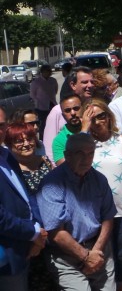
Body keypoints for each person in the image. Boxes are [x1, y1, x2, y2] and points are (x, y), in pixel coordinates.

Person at [37, 133, 117, 290]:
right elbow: (56, 233)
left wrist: (96, 252)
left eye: (90, 153)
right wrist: (86, 256)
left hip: (99, 249)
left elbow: (108, 218)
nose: (86, 159)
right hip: (65, 255)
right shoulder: (52, 184)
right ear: (67, 155)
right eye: (80, 153)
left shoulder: (99, 179)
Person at [80, 99, 122, 291]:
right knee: (101, 255)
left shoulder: (121, 139)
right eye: (93, 118)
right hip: (95, 212)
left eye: (101, 116)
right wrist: (84, 128)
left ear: (109, 116)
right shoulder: (84, 143)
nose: (98, 121)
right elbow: (72, 166)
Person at [0, 110, 47, 291]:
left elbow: (27, 197)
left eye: (2, 125)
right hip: (7, 257)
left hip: (26, 249)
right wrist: (33, 233)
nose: (1, 130)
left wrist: (37, 230)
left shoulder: (7, 156)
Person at [43, 66, 95, 162]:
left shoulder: (94, 108)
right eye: (85, 82)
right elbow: (49, 149)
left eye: (92, 82)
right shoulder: (57, 111)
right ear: (73, 85)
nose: (90, 85)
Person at [51, 94, 87, 165]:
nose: (73, 113)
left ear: (83, 108)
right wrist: (84, 130)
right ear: (63, 115)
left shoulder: (94, 129)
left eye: (76, 108)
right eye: (67, 110)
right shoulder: (59, 141)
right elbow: (66, 167)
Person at [29, 64, 57, 136]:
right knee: (42, 126)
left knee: (53, 123)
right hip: (41, 107)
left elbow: (55, 90)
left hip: (52, 105)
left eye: (50, 71)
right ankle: (42, 140)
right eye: (47, 71)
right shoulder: (36, 82)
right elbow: (32, 94)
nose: (49, 73)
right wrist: (38, 101)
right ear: (42, 72)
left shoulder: (53, 80)